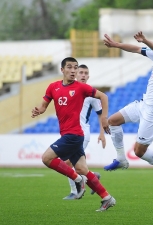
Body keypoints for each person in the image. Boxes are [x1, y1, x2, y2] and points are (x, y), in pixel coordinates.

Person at [31, 57, 116, 211]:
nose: (73, 70)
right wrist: (39, 110)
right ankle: (106, 197)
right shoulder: (53, 87)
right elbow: (44, 106)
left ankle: (77, 180)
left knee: (46, 158)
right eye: (69, 67)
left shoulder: (81, 88)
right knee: (83, 169)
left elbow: (103, 96)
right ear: (62, 70)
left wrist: (104, 118)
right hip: (71, 135)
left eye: (75, 68)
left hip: (74, 134)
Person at [102, 26, 153, 187]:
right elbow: (137, 49)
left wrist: (145, 40)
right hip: (144, 104)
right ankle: (121, 159)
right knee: (113, 121)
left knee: (139, 151)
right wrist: (116, 45)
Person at [63, 64, 106, 200]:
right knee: (75, 164)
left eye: (85, 73)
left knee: (68, 162)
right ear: (76, 74)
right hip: (69, 132)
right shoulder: (69, 90)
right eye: (80, 72)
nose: (83, 75)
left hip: (82, 133)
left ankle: (75, 191)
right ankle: (92, 177)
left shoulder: (91, 93)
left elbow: (100, 114)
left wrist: (102, 133)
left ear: (88, 76)